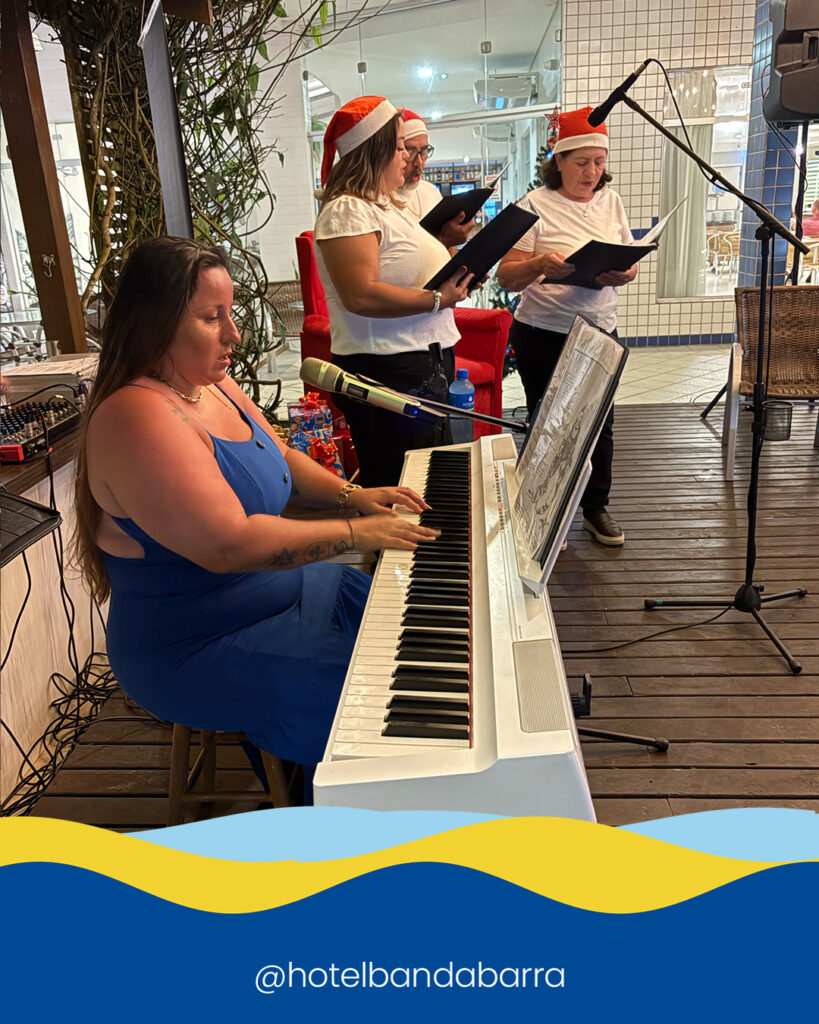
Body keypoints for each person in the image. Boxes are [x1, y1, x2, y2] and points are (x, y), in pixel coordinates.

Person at [72, 236, 439, 774]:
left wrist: (353, 497)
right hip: (197, 645)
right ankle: (344, 811)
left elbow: (281, 454)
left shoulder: (211, 384)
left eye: (231, 311)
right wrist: (357, 533)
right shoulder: (136, 415)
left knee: (414, 633)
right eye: (211, 317)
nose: (234, 333)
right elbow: (230, 545)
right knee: (376, 702)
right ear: (155, 323)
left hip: (288, 595)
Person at [314, 95, 474, 487]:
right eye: (401, 147)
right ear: (375, 151)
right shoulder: (347, 210)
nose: (408, 157)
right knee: (395, 484)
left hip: (420, 360)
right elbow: (361, 295)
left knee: (424, 480)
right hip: (386, 367)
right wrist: (438, 299)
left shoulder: (387, 205)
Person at [496, 105, 637, 546]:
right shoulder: (534, 206)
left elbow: (629, 255)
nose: (591, 172)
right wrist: (539, 264)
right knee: (547, 422)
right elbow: (506, 275)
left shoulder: (611, 201)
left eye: (598, 162)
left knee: (600, 422)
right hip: (544, 330)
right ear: (558, 160)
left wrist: (625, 272)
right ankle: (536, 511)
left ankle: (595, 508)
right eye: (581, 163)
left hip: (600, 328)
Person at [396, 108, 474, 250]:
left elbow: (451, 252)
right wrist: (443, 240)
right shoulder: (379, 200)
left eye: (424, 151)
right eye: (410, 151)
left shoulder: (431, 192)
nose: (419, 162)